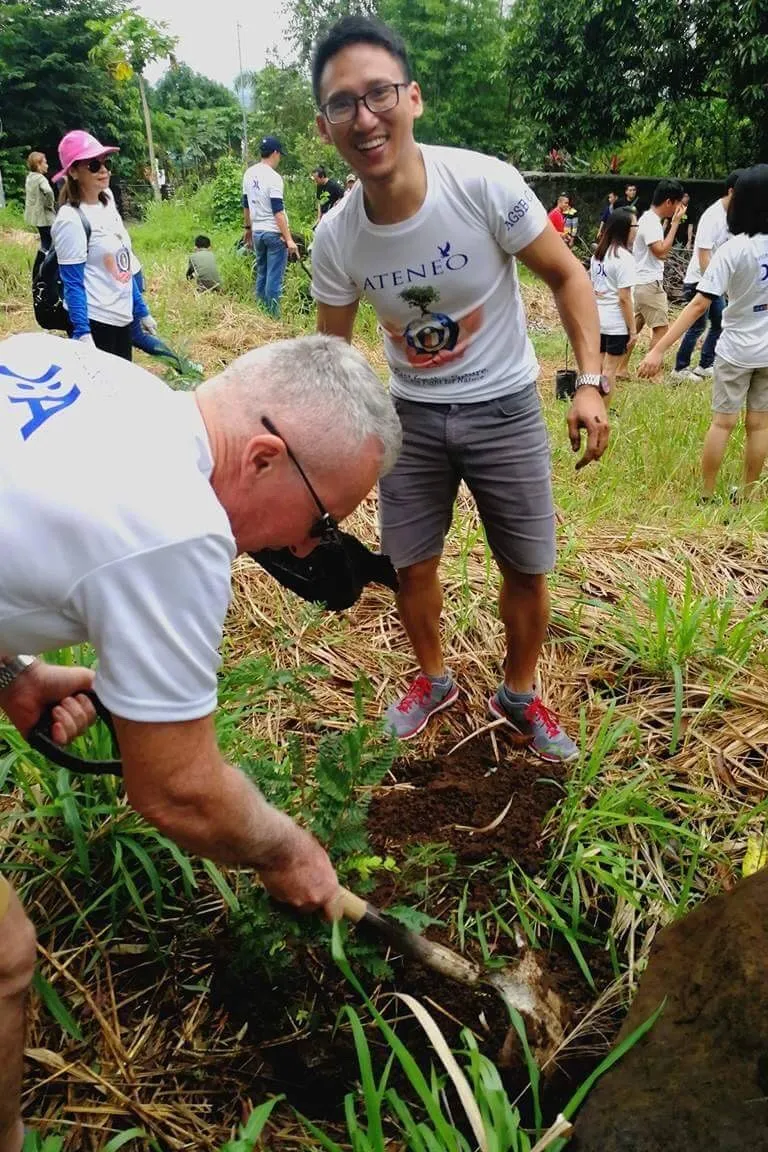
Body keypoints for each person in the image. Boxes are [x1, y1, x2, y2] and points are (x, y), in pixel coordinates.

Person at [0, 329, 402, 1152]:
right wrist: (287, 852)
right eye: (321, 520)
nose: (302, 548)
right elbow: (176, 788)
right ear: (262, 457)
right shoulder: (177, 528)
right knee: (3, 960)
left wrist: (12, 673)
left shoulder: (85, 367)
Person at [310, 15, 610, 761]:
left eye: (379, 93)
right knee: (411, 562)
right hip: (410, 414)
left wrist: (591, 382)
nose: (366, 117)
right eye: (343, 104)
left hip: (505, 407)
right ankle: (433, 679)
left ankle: (519, 689)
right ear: (324, 127)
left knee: (526, 565)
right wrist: (326, 458)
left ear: (414, 98)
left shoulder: (482, 183)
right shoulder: (337, 238)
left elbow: (568, 274)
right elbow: (331, 357)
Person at [638, 165, 768, 502]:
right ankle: (750, 494)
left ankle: (707, 495)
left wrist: (658, 350)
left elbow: (697, 306)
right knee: (761, 426)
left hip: (736, 351)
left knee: (722, 424)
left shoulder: (734, 250)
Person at [50, 131, 155, 361]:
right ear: (74, 172)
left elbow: (123, 264)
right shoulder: (71, 219)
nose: (104, 170)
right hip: (97, 321)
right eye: (94, 165)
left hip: (121, 316)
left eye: (105, 163)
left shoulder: (106, 200)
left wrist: (141, 309)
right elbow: (73, 283)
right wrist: (82, 332)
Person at [670, 171, 743, 383]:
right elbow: (703, 257)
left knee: (719, 322)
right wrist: (715, 286)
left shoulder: (735, 215)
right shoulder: (713, 216)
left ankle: (704, 365)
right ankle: (680, 368)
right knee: (697, 325)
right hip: (700, 280)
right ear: (731, 191)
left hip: (715, 281)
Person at [242, 136, 299, 317]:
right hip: (274, 234)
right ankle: (273, 317)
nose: (279, 158)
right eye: (279, 155)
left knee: (262, 273)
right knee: (274, 278)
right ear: (275, 153)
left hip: (258, 231)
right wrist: (289, 239)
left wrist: (248, 229)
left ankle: (260, 312)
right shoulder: (274, 178)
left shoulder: (249, 174)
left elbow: (246, 205)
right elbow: (278, 211)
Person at [632, 178, 686, 352]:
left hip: (640, 281)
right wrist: (675, 223)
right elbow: (661, 251)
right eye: (678, 203)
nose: (679, 208)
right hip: (649, 283)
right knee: (661, 329)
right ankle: (654, 373)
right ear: (669, 201)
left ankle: (620, 368)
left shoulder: (648, 219)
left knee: (633, 328)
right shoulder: (652, 222)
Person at [589, 210, 637, 393]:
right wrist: (632, 330)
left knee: (598, 367)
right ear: (624, 229)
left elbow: (595, 288)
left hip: (598, 320)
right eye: (634, 226)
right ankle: (602, 411)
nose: (636, 231)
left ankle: (592, 402)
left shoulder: (598, 255)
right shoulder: (624, 258)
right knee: (609, 371)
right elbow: (624, 298)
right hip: (616, 323)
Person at [23, 152, 55, 251]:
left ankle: (41, 263)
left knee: (45, 242)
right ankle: (49, 264)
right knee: (53, 242)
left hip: (35, 217)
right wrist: (49, 204)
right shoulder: (41, 178)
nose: (47, 165)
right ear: (38, 165)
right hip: (45, 217)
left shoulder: (30, 177)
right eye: (45, 163)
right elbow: (49, 191)